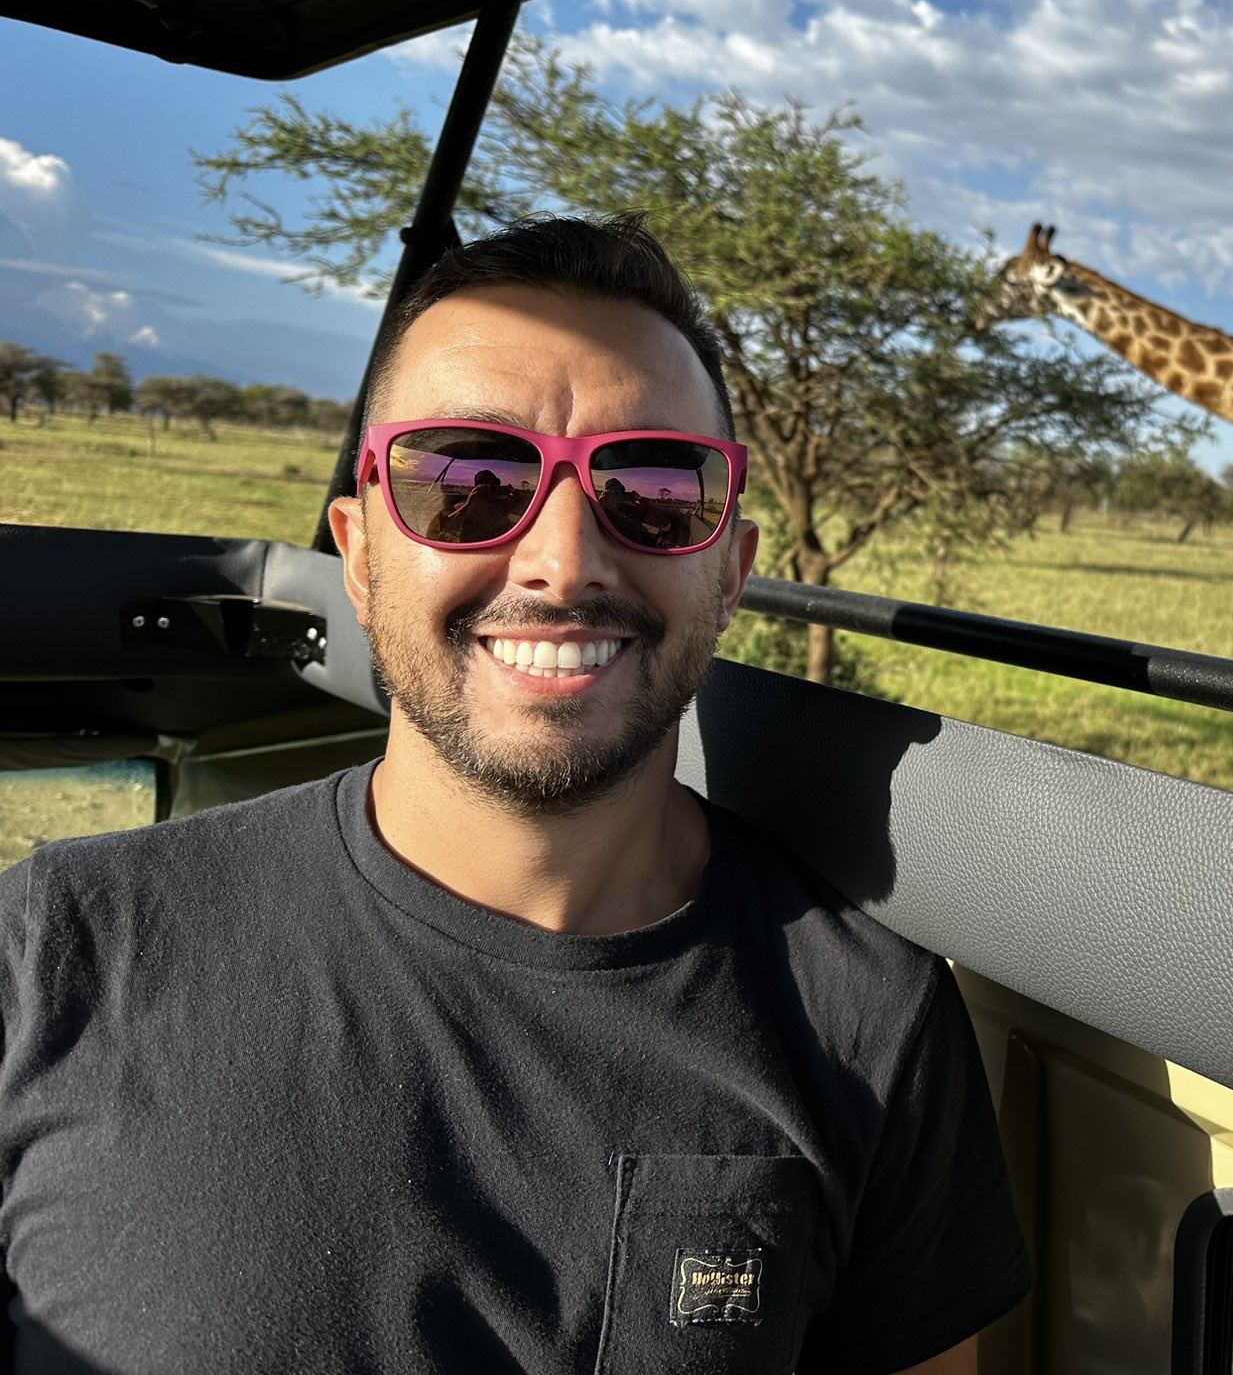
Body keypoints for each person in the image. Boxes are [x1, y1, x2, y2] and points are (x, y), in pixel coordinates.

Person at [0, 215, 1030, 1373]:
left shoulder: (869, 1021)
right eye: (465, 483)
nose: (563, 561)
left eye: (654, 491)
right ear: (360, 554)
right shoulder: (59, 948)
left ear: (730, 572)